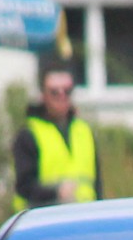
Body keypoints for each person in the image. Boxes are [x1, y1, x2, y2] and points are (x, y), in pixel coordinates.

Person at [12, 65, 102, 210]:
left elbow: (97, 185)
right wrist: (55, 192)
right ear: (43, 95)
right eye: (54, 92)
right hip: (45, 217)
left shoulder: (84, 131)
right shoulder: (29, 134)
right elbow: (24, 187)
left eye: (67, 91)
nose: (62, 96)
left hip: (85, 216)